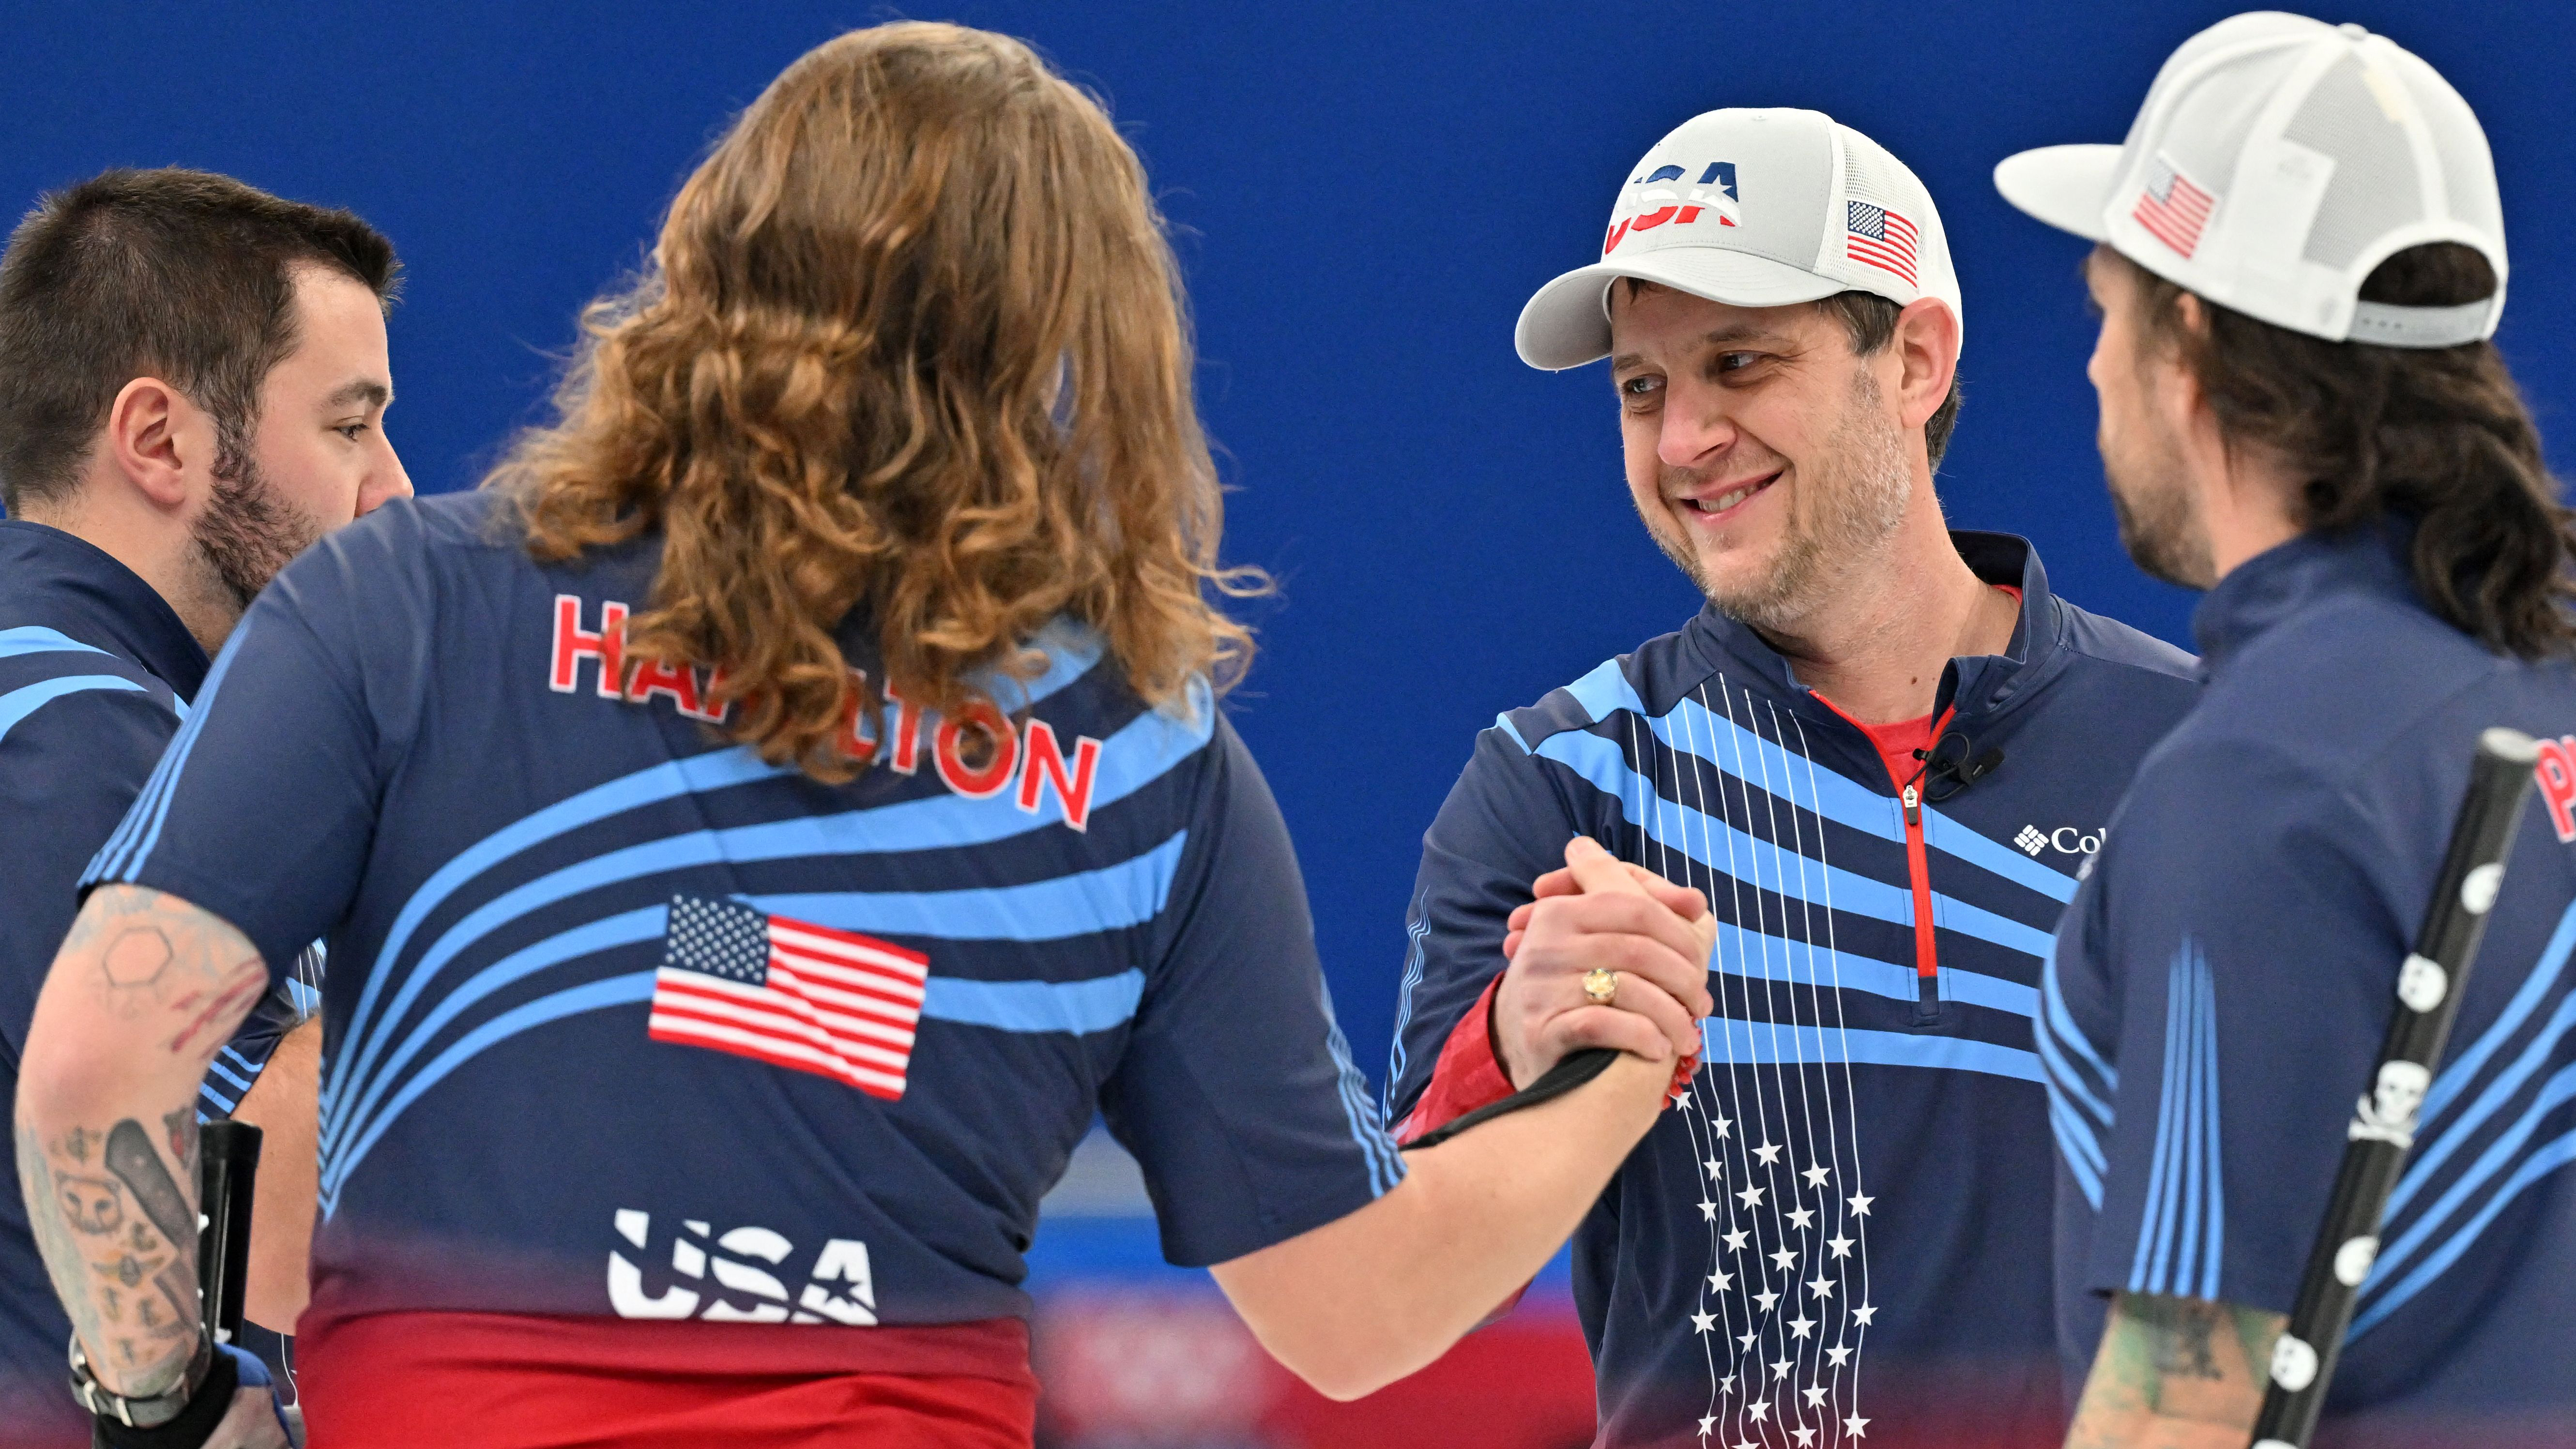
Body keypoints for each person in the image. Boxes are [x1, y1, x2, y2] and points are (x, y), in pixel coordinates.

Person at [12, 24, 1715, 1449]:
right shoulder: (1141, 763)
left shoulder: (410, 603)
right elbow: (1351, 1309)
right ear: (1072, 338)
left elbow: (101, 1078)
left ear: (713, 257)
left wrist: (170, 1407)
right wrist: (1619, 1069)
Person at [1382, 107, 2203, 1449]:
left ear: (1915, 360)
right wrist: (1508, 1052)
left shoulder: (2192, 753)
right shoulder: (1565, 780)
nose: (1683, 439)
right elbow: (1398, 1302)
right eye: (1641, 388)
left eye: (1739, 362)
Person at [1996, 13, 2576, 1447]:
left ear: (2184, 329)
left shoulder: (2257, 783)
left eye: (2104, 312)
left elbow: (2179, 1398)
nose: (2089, 372)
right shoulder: (2540, 669)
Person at [0, 168, 408, 1446]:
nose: (391, 488)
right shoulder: (85, 743)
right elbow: (268, 1218)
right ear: (161, 441)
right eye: (350, 427)